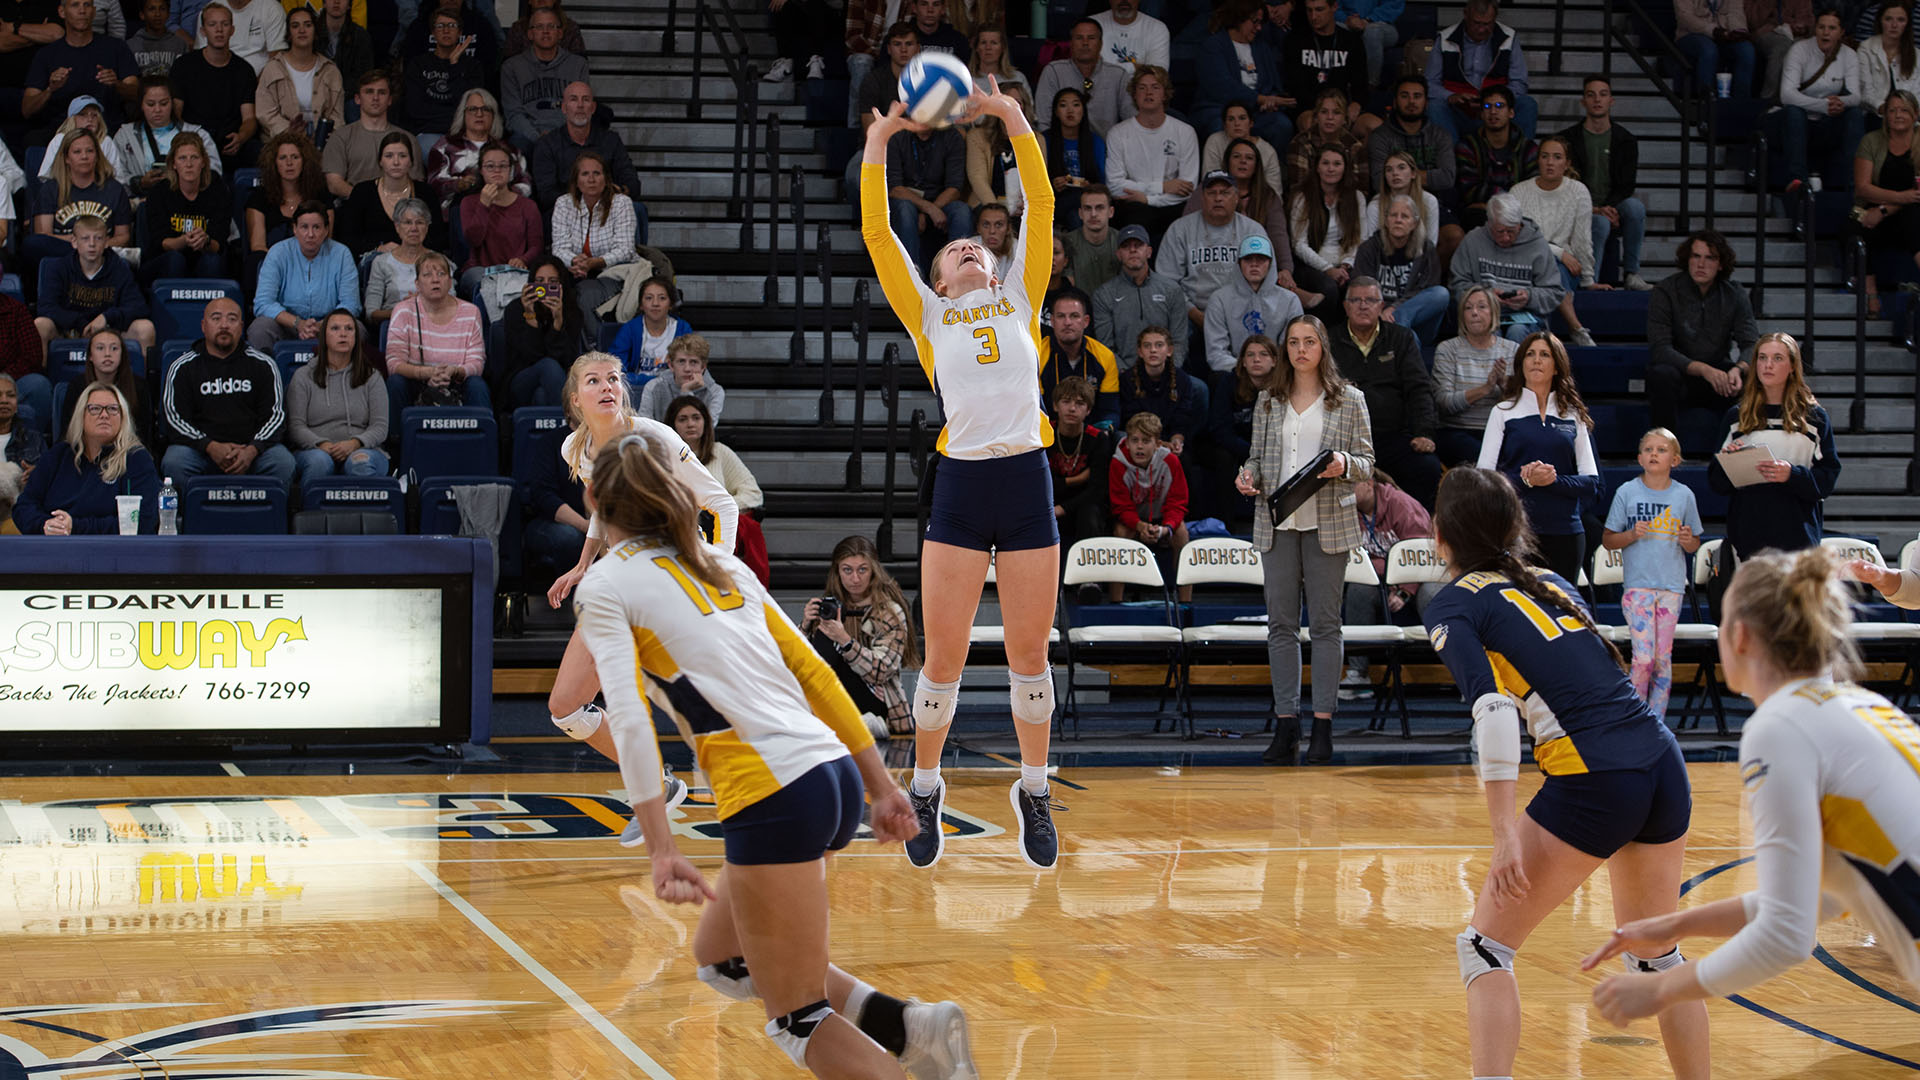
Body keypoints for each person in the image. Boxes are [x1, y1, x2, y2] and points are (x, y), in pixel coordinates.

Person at [568, 431, 978, 1080]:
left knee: (797, 1017)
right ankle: (909, 1027)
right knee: (723, 959)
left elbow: (629, 719)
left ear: (593, 498)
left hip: (771, 793)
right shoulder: (719, 562)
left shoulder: (605, 585)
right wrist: (878, 785)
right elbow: (814, 674)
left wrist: (661, 849)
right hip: (829, 776)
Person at [1421, 465, 1709, 1080]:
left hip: (1596, 776)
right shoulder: (1551, 580)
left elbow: (1494, 712)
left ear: (1440, 533)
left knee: (1484, 948)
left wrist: (1504, 834)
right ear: (1514, 526)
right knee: (1657, 956)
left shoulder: (1453, 603)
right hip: (1661, 761)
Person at [1588, 547, 1920, 1038]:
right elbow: (1827, 898)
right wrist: (1674, 925)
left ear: (1739, 635)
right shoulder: (1862, 706)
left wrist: (1662, 988)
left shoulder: (1780, 727)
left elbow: (1788, 935)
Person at [863, 85, 1065, 870]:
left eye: (978, 246)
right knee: (943, 659)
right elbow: (878, 233)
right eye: (954, 251)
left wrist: (1013, 120)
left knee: (1029, 656)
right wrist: (880, 140)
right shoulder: (928, 314)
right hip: (961, 485)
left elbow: (1041, 204)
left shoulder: (1021, 296)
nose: (969, 250)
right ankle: (926, 787)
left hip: (1024, 481)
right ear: (940, 279)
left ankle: (1034, 789)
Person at [541, 352, 737, 837]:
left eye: (613, 378)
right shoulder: (574, 447)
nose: (606, 386)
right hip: (621, 580)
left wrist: (718, 574)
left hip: (671, 578)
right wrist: (583, 563)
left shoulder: (656, 438)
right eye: (593, 380)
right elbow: (606, 508)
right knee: (567, 709)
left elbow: (723, 505)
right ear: (576, 399)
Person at [1234, 313, 1373, 765]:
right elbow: (1256, 457)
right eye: (1293, 342)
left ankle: (1323, 725)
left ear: (1322, 347)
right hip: (1276, 523)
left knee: (1326, 626)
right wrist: (1248, 476)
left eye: (1309, 341)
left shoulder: (1349, 399)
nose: (1300, 350)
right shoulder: (1269, 400)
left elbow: (1367, 462)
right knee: (1281, 626)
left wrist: (1345, 464)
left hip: (1328, 523)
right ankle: (1286, 723)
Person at [1706, 332, 1839, 574]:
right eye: (1762, 358)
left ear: (1792, 366)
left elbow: (1827, 480)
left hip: (1799, 543)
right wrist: (1730, 462)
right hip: (1749, 542)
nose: (1768, 365)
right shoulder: (1736, 417)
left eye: (1777, 358)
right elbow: (1716, 482)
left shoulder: (1814, 418)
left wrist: (1792, 475)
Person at [1476, 331, 1602, 584]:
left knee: (1561, 605)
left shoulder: (1573, 415)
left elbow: (1591, 482)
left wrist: (1552, 480)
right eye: (1530, 354)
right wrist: (1527, 479)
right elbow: (1484, 480)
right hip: (1517, 533)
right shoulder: (1502, 411)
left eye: (1544, 354)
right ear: (1521, 363)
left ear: (1556, 366)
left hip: (1566, 533)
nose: (1536, 360)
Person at [1600, 427, 1703, 721]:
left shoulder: (1684, 495)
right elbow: (1608, 540)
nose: (1654, 454)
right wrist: (1631, 534)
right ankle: (1635, 719)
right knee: (1643, 659)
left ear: (1675, 460)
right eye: (1648, 449)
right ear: (1639, 458)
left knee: (1662, 659)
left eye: (1661, 449)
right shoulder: (1627, 492)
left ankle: (1655, 722)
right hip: (1638, 587)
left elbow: (1694, 542)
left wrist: (1688, 541)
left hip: (1671, 587)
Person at [162, 296, 296, 487]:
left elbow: (275, 417)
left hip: (252, 451)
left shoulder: (264, 364)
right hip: (200, 452)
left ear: (241, 327)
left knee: (282, 462)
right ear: (203, 325)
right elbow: (175, 419)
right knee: (175, 461)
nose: (224, 325)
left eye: (232, 319)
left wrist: (252, 450)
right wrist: (209, 446)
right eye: (216, 318)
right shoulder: (182, 367)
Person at [798, 534, 918, 739]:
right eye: (847, 570)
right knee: (823, 638)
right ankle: (837, 721)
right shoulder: (828, 608)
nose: (855, 578)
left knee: (832, 640)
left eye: (862, 570)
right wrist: (805, 627)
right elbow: (797, 665)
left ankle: (841, 722)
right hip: (834, 692)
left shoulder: (890, 611)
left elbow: (881, 672)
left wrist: (845, 641)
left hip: (876, 697)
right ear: (837, 572)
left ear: (873, 571)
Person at [1646, 229, 1760, 432]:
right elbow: (1660, 349)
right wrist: (1703, 369)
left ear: (1720, 264)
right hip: (1680, 374)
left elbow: (1751, 343)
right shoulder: (1666, 291)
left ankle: (1741, 446)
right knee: (1661, 374)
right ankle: (1665, 445)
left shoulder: (1734, 293)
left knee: (1752, 377)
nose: (1701, 264)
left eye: (1710, 258)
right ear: (1687, 259)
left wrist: (1738, 369)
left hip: (1719, 375)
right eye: (1696, 256)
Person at [12, 381, 159, 534]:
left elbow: (143, 521)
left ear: (123, 417)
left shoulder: (136, 459)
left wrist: (74, 526)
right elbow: (23, 507)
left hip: (111, 548)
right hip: (55, 544)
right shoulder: (58, 455)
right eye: (95, 409)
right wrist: (46, 524)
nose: (104, 415)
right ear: (81, 416)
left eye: (112, 409)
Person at [1560, 76, 1651, 291]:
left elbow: (1627, 185)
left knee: (1635, 208)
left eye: (1603, 94)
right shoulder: (1568, 139)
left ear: (1611, 100)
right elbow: (1567, 183)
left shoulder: (1626, 139)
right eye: (1591, 95)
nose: (1597, 100)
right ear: (1583, 101)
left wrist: (1608, 208)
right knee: (1600, 223)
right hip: (1581, 206)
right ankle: (1590, 281)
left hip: (1613, 203)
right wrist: (1595, 209)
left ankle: (1631, 273)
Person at [1510, 135, 1599, 347]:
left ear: (1567, 163)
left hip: (1566, 267)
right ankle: (1575, 327)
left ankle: (1548, 333)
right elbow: (1520, 239)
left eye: (1557, 157)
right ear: (1538, 160)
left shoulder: (1578, 191)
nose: (1550, 162)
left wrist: (1588, 279)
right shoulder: (1519, 192)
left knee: (1556, 269)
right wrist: (1558, 252)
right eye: (1545, 156)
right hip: (1528, 263)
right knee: (1551, 265)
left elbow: (1582, 239)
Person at [1163, 171, 1278, 331]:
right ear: (1202, 198)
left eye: (1225, 193)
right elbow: (1168, 282)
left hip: (1242, 311)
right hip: (1191, 312)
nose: (1218, 198)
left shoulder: (1253, 230)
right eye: (1211, 193)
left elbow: (1268, 279)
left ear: (1236, 198)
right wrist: (1194, 313)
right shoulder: (1180, 229)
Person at [287, 308, 388, 488]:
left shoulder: (372, 377)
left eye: (349, 329)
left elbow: (380, 427)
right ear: (324, 337)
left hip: (362, 448)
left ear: (356, 337)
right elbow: (296, 426)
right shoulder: (303, 376)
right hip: (315, 450)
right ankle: (310, 507)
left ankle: (364, 508)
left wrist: (355, 443)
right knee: (320, 462)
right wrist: (322, 444)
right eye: (335, 328)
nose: (343, 334)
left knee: (360, 463)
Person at [383, 251, 489, 421]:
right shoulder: (403, 311)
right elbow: (394, 364)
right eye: (427, 275)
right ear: (417, 284)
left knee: (477, 385)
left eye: (441, 274)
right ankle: (396, 437)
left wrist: (454, 371)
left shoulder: (471, 312)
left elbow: (476, 363)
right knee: (395, 382)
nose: (435, 280)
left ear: (450, 282)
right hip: (417, 382)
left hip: (455, 383)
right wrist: (427, 373)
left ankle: (482, 434)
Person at [249, 200, 362, 352]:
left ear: (326, 230)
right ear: (294, 229)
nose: (310, 234)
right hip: (287, 325)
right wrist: (298, 323)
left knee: (358, 329)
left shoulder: (342, 254)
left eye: (316, 227)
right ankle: (267, 368)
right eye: (304, 227)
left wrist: (321, 325)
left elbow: (351, 304)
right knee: (260, 328)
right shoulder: (278, 252)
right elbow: (263, 303)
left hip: (329, 326)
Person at [1449, 193, 1563, 344]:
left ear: (1519, 225)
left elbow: (1555, 293)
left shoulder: (1537, 245)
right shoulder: (1473, 241)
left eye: (1511, 231)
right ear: (1489, 223)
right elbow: (1456, 285)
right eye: (1500, 231)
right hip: (1483, 314)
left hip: (1526, 316)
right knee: (1490, 330)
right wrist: (1484, 297)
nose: (1506, 238)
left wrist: (1529, 297)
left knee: (1517, 331)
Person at [36, 214, 154, 359]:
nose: (92, 244)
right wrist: (79, 322)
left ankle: (143, 374)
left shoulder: (119, 268)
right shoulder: (59, 268)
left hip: (110, 333)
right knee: (41, 325)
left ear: (106, 242)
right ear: (74, 242)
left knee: (145, 328)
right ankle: (41, 373)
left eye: (98, 238)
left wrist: (106, 318)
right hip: (69, 332)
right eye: (85, 238)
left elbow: (139, 307)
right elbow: (46, 307)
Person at [1103, 64, 1197, 245]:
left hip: (1174, 207)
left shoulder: (1185, 132)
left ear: (1165, 94)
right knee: (1136, 214)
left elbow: (1187, 188)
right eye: (1142, 88)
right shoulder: (1118, 133)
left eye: (1155, 87)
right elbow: (1114, 186)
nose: (1148, 93)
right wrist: (1162, 187)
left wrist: (1147, 198)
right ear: (1134, 95)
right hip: (1135, 208)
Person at [551, 149, 640, 334]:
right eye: (585, 174)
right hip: (574, 271)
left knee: (584, 296)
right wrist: (574, 261)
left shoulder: (621, 203)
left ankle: (595, 345)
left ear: (606, 179)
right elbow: (559, 248)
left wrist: (595, 262)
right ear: (576, 181)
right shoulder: (563, 203)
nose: (591, 179)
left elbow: (625, 249)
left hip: (612, 272)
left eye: (596, 173)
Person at [1776, 10, 1864, 190]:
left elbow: (1856, 97)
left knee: (1854, 114)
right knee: (1794, 112)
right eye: (1821, 27)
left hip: (1826, 122)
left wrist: (1841, 102)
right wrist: (1823, 105)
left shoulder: (1849, 55)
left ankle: (1855, 185)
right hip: (1794, 120)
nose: (1826, 32)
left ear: (1841, 32)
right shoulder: (1799, 50)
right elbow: (1786, 95)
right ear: (1815, 29)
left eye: (1832, 28)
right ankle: (1797, 182)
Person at [1426, 0, 1538, 140]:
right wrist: (1450, 96)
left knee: (1527, 104)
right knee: (1435, 107)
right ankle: (1450, 153)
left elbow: (1519, 83)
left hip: (1497, 108)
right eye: (1476, 23)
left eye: (1487, 24)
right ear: (1465, 15)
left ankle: (1521, 152)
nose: (1481, 29)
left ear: (1495, 18)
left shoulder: (1509, 38)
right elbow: (1430, 83)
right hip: (1459, 111)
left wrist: (1496, 101)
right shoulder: (1444, 38)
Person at [1852, 89, 1920, 317]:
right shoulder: (1871, 141)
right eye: (1892, 110)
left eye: (1904, 110)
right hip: (1868, 208)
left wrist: (1884, 209)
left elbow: (1917, 195)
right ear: (1885, 115)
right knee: (1854, 223)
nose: (1898, 115)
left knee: (1913, 219)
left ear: (1915, 114)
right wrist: (1902, 198)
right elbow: (1862, 188)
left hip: (1905, 210)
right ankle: (1870, 294)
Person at [1108, 409, 1190, 598]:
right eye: (1134, 440)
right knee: (1121, 533)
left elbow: (1178, 502)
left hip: (1162, 518)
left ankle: (1185, 601)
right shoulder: (1118, 463)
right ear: (1127, 442)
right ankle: (1115, 600)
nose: (1139, 447)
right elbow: (1120, 506)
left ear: (1158, 444)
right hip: (1132, 520)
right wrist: (1140, 526)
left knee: (1181, 533)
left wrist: (1166, 528)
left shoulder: (1170, 461)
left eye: (1146, 441)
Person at [528, 81, 643, 215]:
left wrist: (615, 193)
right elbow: (546, 194)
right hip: (566, 212)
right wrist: (586, 199)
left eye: (586, 100)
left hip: (607, 208)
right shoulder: (547, 144)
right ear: (564, 108)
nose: (580, 105)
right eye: (574, 99)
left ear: (593, 108)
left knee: (637, 209)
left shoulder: (611, 140)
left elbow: (632, 183)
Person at [1430, 284, 1515, 465]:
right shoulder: (1447, 349)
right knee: (1486, 457)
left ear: (1494, 312)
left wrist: (1504, 385)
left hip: (1499, 430)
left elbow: (1520, 403)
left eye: (1481, 307)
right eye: (1468, 308)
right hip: (1456, 431)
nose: (1474, 313)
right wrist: (1485, 389)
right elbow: (1444, 403)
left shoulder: (1512, 350)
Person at [169, 2, 258, 171]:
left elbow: (249, 118)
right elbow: (176, 113)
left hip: (230, 142)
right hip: (194, 142)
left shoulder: (244, 70)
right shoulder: (184, 66)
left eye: (225, 24)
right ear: (203, 31)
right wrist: (190, 142)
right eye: (212, 24)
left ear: (232, 30)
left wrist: (241, 137)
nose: (219, 30)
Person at [24, 0, 137, 130]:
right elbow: (27, 109)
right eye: (75, 5)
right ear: (62, 11)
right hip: (60, 132)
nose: (82, 11)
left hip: (108, 130)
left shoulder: (116, 47)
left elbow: (137, 94)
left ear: (93, 12)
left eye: (87, 5)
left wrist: (116, 84)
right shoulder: (46, 54)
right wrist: (50, 89)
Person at [1288, 145, 1371, 320]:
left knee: (1358, 287)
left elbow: (1361, 239)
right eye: (1325, 163)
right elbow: (1299, 244)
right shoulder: (1303, 198)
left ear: (1345, 168)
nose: (1331, 169)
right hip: (1312, 264)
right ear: (1317, 167)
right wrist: (1328, 269)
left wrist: (1346, 265)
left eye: (1337, 164)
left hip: (1346, 263)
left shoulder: (1357, 197)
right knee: (1329, 288)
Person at [1093, 224, 1190, 375]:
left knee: (1199, 387)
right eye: (1126, 246)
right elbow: (1105, 347)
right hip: (1123, 376)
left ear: (1149, 252)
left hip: (1165, 372)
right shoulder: (1104, 294)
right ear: (1118, 254)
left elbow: (1179, 341)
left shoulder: (1171, 290)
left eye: (1138, 245)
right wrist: (1127, 376)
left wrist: (1167, 372)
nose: (1132, 250)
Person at [26, 129, 133, 265]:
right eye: (77, 152)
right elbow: (43, 235)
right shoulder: (50, 189)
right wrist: (79, 242)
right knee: (32, 243)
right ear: (66, 158)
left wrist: (94, 246)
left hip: (102, 255)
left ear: (97, 156)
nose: (84, 156)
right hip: (63, 254)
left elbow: (123, 237)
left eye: (90, 151)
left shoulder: (115, 189)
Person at [1194, 0, 1290, 149]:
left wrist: (1270, 102)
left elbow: (1273, 85)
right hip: (1220, 110)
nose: (1259, 28)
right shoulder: (1212, 46)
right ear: (1239, 19)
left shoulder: (1262, 47)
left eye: (1261, 23)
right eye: (1255, 22)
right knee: (1220, 126)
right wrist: (1259, 99)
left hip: (1256, 112)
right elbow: (1221, 87)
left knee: (1281, 125)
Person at [1356, 193, 1449, 345]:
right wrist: (1380, 310)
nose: (1398, 220)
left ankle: (1398, 325)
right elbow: (1360, 288)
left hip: (1416, 318)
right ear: (1386, 221)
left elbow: (1428, 291)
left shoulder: (1426, 248)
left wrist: (1395, 309)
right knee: (1409, 338)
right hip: (1378, 316)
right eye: (1393, 215)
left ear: (1414, 223)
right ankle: (1400, 329)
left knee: (1441, 294)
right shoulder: (1369, 249)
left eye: (1404, 216)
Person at [138, 130, 230, 283]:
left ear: (203, 162)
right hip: (166, 260)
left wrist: (205, 240)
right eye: (182, 158)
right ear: (173, 164)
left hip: (203, 259)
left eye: (194, 157)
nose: (188, 164)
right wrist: (185, 240)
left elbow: (219, 245)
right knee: (175, 259)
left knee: (212, 261)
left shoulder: (217, 190)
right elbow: (160, 244)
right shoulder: (160, 192)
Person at [882, 113, 970, 272]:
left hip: (940, 201)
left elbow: (954, 188)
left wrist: (930, 210)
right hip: (907, 200)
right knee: (905, 210)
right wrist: (928, 209)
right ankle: (911, 275)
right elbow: (895, 188)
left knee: (961, 212)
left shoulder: (952, 136)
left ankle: (957, 273)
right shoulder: (896, 136)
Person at [1205, 234, 1303, 373]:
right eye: (1248, 259)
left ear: (1271, 263)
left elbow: (1291, 349)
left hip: (1277, 373)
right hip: (1234, 372)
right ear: (1239, 263)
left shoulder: (1290, 300)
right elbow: (1216, 353)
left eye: (1261, 259)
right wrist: (1247, 368)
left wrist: (1270, 369)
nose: (1254, 264)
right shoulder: (1219, 299)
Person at [454, 140, 541, 295]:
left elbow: (536, 245)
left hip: (516, 271)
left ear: (510, 170)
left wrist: (523, 259)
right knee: (484, 283)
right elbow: (473, 240)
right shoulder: (469, 202)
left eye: (503, 166)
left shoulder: (528, 206)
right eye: (490, 166)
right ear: (481, 170)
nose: (497, 170)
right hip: (481, 272)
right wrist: (484, 205)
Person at [340, 131, 446, 258]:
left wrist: (409, 250)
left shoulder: (425, 192)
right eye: (389, 156)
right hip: (374, 259)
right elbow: (349, 238)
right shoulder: (362, 191)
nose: (396, 162)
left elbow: (438, 238)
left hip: (417, 260)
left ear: (411, 161)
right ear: (380, 161)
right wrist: (378, 248)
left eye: (402, 156)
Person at [429, 90, 532, 218]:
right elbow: (434, 184)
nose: (479, 114)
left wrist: (505, 194)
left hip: (504, 212)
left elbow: (525, 183)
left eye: (486, 109)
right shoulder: (445, 146)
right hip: (460, 211)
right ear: (463, 114)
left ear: (494, 116)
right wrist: (459, 184)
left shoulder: (509, 150)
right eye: (473, 109)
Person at [115, 76, 221, 199]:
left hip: (190, 202)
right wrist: (140, 182)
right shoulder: (124, 135)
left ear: (173, 103)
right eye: (150, 104)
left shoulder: (198, 135)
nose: (157, 109)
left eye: (164, 103)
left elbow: (214, 173)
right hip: (142, 202)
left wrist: (185, 179)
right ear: (141, 105)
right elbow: (115, 176)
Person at [322, 69, 423, 198]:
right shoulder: (340, 137)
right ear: (357, 99)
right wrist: (369, 201)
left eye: (382, 92)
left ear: (390, 99)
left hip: (398, 205)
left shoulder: (408, 139)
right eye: (369, 92)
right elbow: (334, 183)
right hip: (354, 204)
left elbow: (415, 184)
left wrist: (389, 202)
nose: (375, 98)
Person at [246, 130, 329, 286]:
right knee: (256, 261)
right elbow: (258, 246)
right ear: (274, 163)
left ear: (305, 161)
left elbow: (326, 240)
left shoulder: (321, 196)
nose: (289, 163)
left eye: (295, 157)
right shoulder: (259, 197)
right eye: (283, 158)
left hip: (313, 263)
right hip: (273, 266)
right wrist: (286, 263)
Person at [501, 253, 582, 409]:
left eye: (552, 282)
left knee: (541, 396)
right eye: (539, 281)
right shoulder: (516, 309)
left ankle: (557, 421)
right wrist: (530, 317)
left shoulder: (571, 312)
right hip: (521, 379)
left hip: (555, 381)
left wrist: (558, 322)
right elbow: (528, 357)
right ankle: (569, 420)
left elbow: (567, 361)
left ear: (562, 284)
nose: (545, 287)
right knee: (548, 366)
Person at [500, 7, 585, 151]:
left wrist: (556, 136)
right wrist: (537, 138)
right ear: (530, 34)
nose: (545, 31)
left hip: (566, 135)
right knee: (516, 142)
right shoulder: (511, 67)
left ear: (560, 33)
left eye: (551, 26)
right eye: (539, 26)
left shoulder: (578, 65)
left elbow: (580, 109)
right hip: (527, 138)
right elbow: (513, 114)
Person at [1455, 84, 1536, 231]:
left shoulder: (1528, 148)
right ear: (1481, 113)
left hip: (1520, 212)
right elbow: (1469, 190)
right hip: (1481, 216)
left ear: (1511, 112)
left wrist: (1498, 202)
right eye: (1487, 106)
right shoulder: (1467, 146)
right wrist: (1507, 199)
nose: (1493, 111)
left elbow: (1532, 189)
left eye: (1499, 106)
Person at [254, 5, 342, 140]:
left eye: (308, 25)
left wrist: (322, 138)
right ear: (289, 34)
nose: (302, 30)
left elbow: (337, 117)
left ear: (316, 32)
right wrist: (289, 131)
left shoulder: (330, 70)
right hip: (281, 141)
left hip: (321, 143)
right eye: (295, 26)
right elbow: (264, 112)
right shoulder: (273, 68)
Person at [1032, 19, 1132, 136]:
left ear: (1101, 44)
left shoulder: (1118, 75)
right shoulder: (1054, 71)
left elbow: (1130, 119)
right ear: (1071, 43)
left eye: (1091, 38)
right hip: (1060, 144)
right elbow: (1043, 121)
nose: (1085, 43)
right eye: (1079, 38)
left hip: (1106, 145)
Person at [1037, 287, 1120, 427]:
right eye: (1061, 316)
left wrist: (1100, 432)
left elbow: (1110, 409)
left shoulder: (1105, 356)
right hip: (1048, 432)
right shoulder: (1037, 356)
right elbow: (1036, 408)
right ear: (1052, 321)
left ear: (1086, 321)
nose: (1067, 322)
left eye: (1074, 316)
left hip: (1093, 433)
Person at [1197, 136, 1293, 256]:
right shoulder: (1207, 189)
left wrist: (1285, 265)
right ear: (1227, 161)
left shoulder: (1268, 196)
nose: (1243, 161)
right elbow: (1189, 226)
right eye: (1236, 156)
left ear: (1256, 165)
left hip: (1254, 260)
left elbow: (1278, 237)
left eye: (1249, 158)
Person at [55, 327, 150, 448]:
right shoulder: (77, 386)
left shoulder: (138, 387)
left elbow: (144, 436)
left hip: (127, 450)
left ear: (122, 355)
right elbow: (67, 433)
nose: (107, 354)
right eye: (100, 348)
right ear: (90, 356)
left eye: (114, 348)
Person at [1048, 375, 1113, 551]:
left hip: (1083, 503)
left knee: (1090, 513)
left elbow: (1097, 490)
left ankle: (1088, 568)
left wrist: (1062, 508)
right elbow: (1040, 483)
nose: (1072, 408)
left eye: (1080, 403)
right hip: (1050, 500)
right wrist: (1075, 480)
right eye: (1066, 401)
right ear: (1055, 406)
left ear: (1088, 410)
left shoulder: (1098, 439)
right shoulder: (1044, 434)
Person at [669, 393, 760, 515]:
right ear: (672, 425)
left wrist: (720, 508)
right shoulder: (661, 456)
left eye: (696, 418)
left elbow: (753, 494)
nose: (690, 424)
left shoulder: (719, 451)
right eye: (682, 419)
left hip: (716, 524)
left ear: (705, 422)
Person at [1117, 325, 1203, 447]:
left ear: (1169, 350)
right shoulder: (1127, 380)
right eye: (1147, 345)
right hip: (1140, 442)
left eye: (1159, 345)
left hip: (1170, 440)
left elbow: (1182, 417)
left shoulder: (1182, 379)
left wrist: (1176, 440)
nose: (1153, 350)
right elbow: (1129, 419)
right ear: (1140, 352)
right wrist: (1158, 445)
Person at [401, 11, 480, 139]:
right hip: (428, 131)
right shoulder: (418, 64)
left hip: (463, 132)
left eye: (452, 26)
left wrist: (454, 65)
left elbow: (470, 106)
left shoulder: (472, 66)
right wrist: (453, 114)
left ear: (459, 33)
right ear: (433, 32)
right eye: (440, 26)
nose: (446, 30)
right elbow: (414, 108)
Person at [361, 197, 432, 325]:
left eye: (420, 222)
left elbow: (451, 305)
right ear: (397, 227)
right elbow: (371, 313)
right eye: (407, 222)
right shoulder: (381, 263)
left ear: (427, 227)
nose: (414, 228)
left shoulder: (440, 262)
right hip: (394, 325)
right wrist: (404, 309)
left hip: (432, 324)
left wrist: (424, 306)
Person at [1286, 88, 1370, 196]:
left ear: (1345, 119)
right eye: (1324, 112)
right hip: (1309, 201)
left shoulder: (1355, 147)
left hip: (1346, 202)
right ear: (1316, 117)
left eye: (1336, 112)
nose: (1330, 117)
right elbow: (1298, 189)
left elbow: (1361, 191)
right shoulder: (1300, 143)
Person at [1043, 88, 1106, 228]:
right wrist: (1052, 185)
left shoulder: (1095, 141)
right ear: (1056, 112)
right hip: (1054, 201)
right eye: (1063, 105)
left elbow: (1103, 183)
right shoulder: (1045, 140)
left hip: (1088, 202)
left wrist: (1090, 187)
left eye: (1076, 105)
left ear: (1083, 111)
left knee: (1076, 213)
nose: (1070, 110)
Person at [608, 275, 690, 383]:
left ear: (670, 304)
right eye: (649, 298)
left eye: (662, 298)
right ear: (641, 305)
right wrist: (651, 381)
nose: (655, 303)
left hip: (672, 388)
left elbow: (689, 369)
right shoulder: (630, 329)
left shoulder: (682, 329)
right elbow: (616, 371)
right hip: (636, 388)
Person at [965, 89, 1029, 217]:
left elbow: (1037, 181)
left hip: (1023, 207)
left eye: (1017, 103)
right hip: (987, 204)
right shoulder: (977, 136)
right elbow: (978, 179)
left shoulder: (1036, 139)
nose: (1010, 107)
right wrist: (998, 213)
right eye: (1005, 102)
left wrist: (1025, 204)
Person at [1203, 101, 1285, 195]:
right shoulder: (1215, 141)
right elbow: (1210, 181)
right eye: (1231, 119)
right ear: (1224, 125)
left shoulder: (1268, 151)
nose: (1237, 123)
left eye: (1242, 118)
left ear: (1251, 123)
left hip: (1258, 200)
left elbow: (1275, 192)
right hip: (1221, 198)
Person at [1676, 0, 1755, 98]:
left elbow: (1735, 11)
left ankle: (1741, 100)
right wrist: (1713, 31)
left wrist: (1738, 31)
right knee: (1708, 50)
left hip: (1724, 33)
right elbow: (1685, 17)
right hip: (1691, 33)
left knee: (1746, 50)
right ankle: (1706, 100)